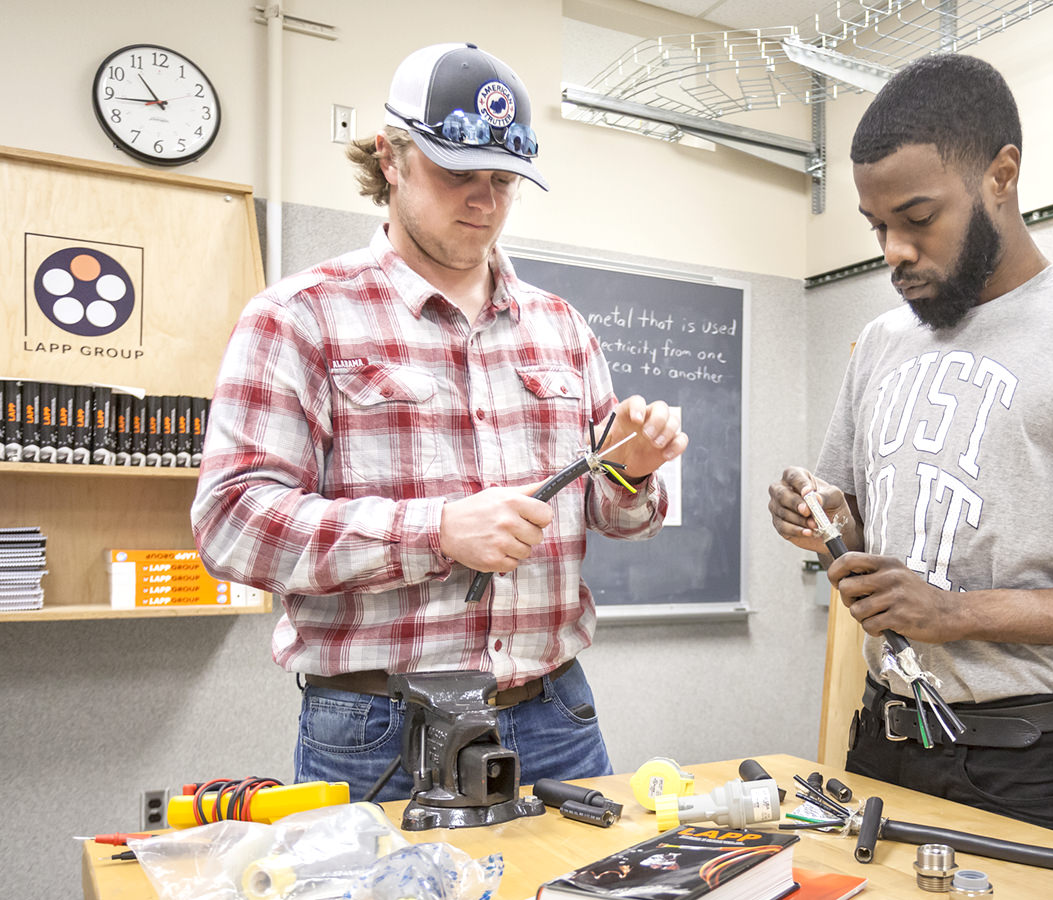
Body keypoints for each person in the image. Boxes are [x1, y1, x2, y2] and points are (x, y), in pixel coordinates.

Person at [192, 42, 687, 802]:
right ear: (390, 158)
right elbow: (232, 524)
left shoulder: (562, 328)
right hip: (380, 727)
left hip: (554, 713)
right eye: (458, 174)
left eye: (503, 181)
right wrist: (437, 532)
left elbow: (619, 517)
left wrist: (631, 472)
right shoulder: (299, 318)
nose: (484, 202)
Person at [768, 53, 1053, 841]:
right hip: (881, 741)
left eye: (917, 218)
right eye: (877, 226)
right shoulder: (880, 343)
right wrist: (825, 522)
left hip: (1025, 767)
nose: (893, 250)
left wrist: (957, 613)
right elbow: (860, 529)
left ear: (1000, 176)